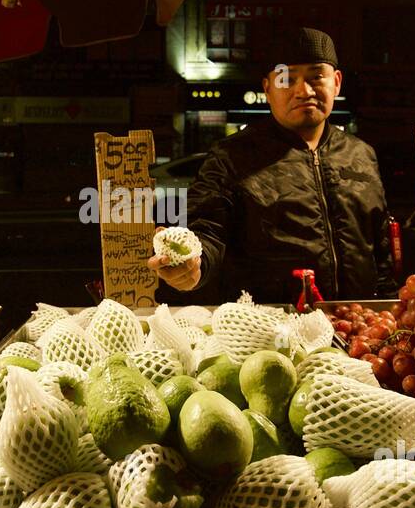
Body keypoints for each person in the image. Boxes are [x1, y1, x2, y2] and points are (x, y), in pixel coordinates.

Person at [148, 27, 395, 304]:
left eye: (316, 76)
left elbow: (381, 248)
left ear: (336, 82)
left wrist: (388, 305)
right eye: (287, 79)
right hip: (268, 328)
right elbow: (208, 230)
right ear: (267, 88)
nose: (303, 90)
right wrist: (193, 266)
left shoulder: (361, 154)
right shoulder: (232, 156)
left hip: (356, 323)